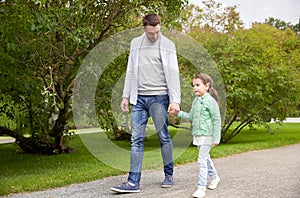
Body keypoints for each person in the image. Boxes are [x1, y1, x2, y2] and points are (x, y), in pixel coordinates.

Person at [110, 13, 181, 193]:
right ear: (144, 29)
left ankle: (169, 175)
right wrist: (125, 96)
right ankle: (133, 182)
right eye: (151, 33)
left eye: (157, 32)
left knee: (163, 136)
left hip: (159, 97)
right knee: (136, 139)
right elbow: (131, 71)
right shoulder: (136, 44)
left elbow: (173, 76)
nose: (154, 36)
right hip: (139, 99)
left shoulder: (167, 45)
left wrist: (175, 101)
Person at [172, 73, 221, 198]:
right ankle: (215, 177)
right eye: (194, 85)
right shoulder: (196, 101)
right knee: (205, 158)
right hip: (198, 134)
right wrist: (178, 113)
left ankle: (201, 188)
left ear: (206, 86)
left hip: (208, 135)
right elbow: (191, 117)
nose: (195, 88)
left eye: (198, 85)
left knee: (201, 160)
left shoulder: (210, 101)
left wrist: (216, 137)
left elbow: (216, 120)